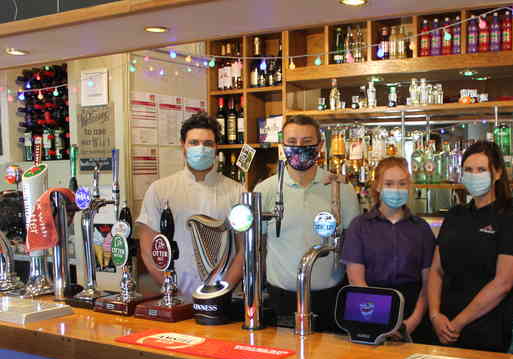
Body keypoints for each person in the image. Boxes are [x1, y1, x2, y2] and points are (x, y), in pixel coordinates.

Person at [254, 114, 359, 331]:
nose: (299, 148)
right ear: (282, 145)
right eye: (292, 143)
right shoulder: (265, 190)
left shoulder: (342, 190)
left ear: (320, 146)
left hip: (330, 298)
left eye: (307, 142)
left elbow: (352, 248)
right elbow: (258, 246)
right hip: (280, 300)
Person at [427, 141, 513, 352]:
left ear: (498, 173)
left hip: (487, 327)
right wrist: (435, 314)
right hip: (443, 324)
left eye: (481, 169)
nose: (474, 175)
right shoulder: (456, 215)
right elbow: (436, 270)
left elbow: (503, 283)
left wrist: (458, 323)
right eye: (468, 170)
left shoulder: (512, 219)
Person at [136, 113, 244, 298]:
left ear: (216, 147)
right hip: (176, 299)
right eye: (194, 143)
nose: (201, 149)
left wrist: (223, 290)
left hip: (223, 300)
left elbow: (245, 250)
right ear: (183, 146)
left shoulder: (237, 192)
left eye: (208, 144)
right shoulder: (160, 190)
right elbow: (148, 249)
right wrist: (172, 291)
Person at [341, 157, 436, 343]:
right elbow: (356, 279)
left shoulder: (421, 228)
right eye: (389, 183)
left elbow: (428, 282)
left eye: (402, 183)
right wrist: (379, 321)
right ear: (377, 185)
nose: (396, 189)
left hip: (413, 312)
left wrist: (412, 321)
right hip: (369, 310)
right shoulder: (359, 226)